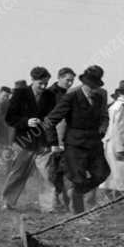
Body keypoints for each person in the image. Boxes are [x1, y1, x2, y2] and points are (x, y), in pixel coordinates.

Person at [45, 65, 109, 213]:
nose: (94, 89)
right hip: (75, 145)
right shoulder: (71, 97)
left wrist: (102, 129)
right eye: (91, 86)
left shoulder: (99, 97)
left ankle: (76, 192)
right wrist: (54, 143)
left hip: (94, 143)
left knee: (102, 173)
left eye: (96, 86)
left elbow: (104, 117)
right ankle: (77, 214)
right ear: (85, 84)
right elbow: (49, 121)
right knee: (78, 179)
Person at [1, 66, 59, 211]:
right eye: (40, 83)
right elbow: (10, 118)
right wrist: (26, 122)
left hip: (42, 142)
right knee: (18, 173)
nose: (44, 86)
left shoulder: (50, 96)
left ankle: (48, 207)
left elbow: (51, 121)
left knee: (46, 174)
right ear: (32, 80)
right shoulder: (20, 94)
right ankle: (8, 202)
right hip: (23, 142)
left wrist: (54, 143)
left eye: (46, 83)